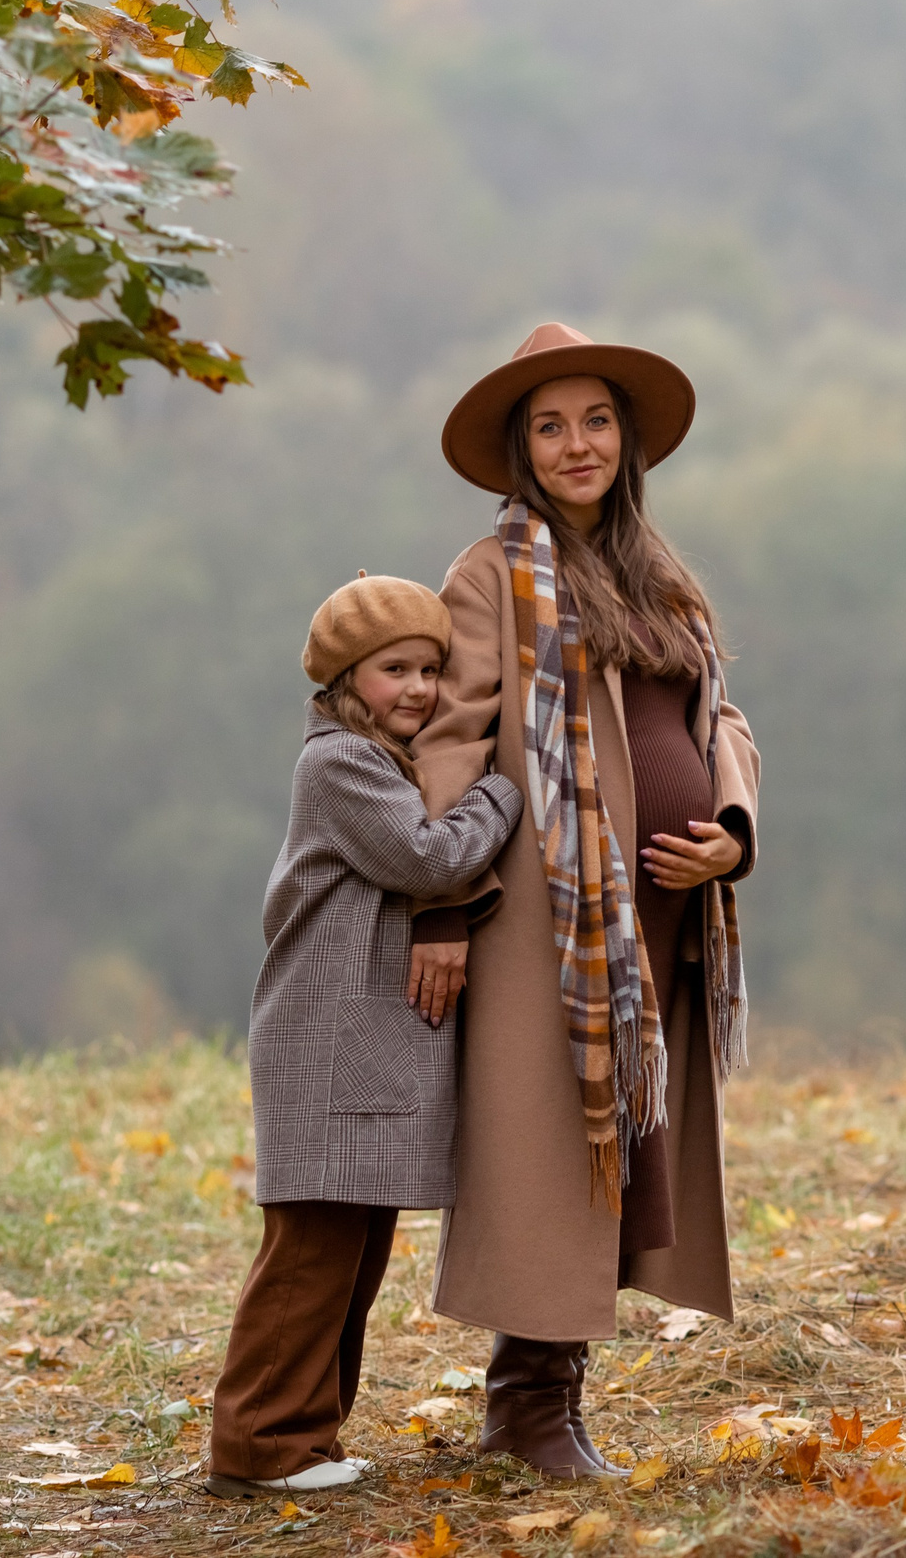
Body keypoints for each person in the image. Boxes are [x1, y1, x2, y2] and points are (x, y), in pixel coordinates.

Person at [414, 322, 761, 1480]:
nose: (578, 444)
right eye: (551, 425)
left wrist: (730, 832)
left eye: (596, 419)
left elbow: (722, 723)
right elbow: (453, 746)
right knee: (559, 1156)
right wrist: (442, 907)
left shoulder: (663, 575)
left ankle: (551, 1398)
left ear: (628, 438)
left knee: (621, 1152)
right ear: (522, 447)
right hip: (544, 924)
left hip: (660, 918)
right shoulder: (491, 575)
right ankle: (526, 1408)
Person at [205, 574, 526, 1497]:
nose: (420, 688)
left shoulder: (383, 759)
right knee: (309, 1256)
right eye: (396, 670)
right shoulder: (339, 764)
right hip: (326, 1039)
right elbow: (430, 857)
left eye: (432, 669)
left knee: (352, 1256)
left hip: (362, 1044)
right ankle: (259, 1446)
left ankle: (308, 1435)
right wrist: (502, 791)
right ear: (348, 678)